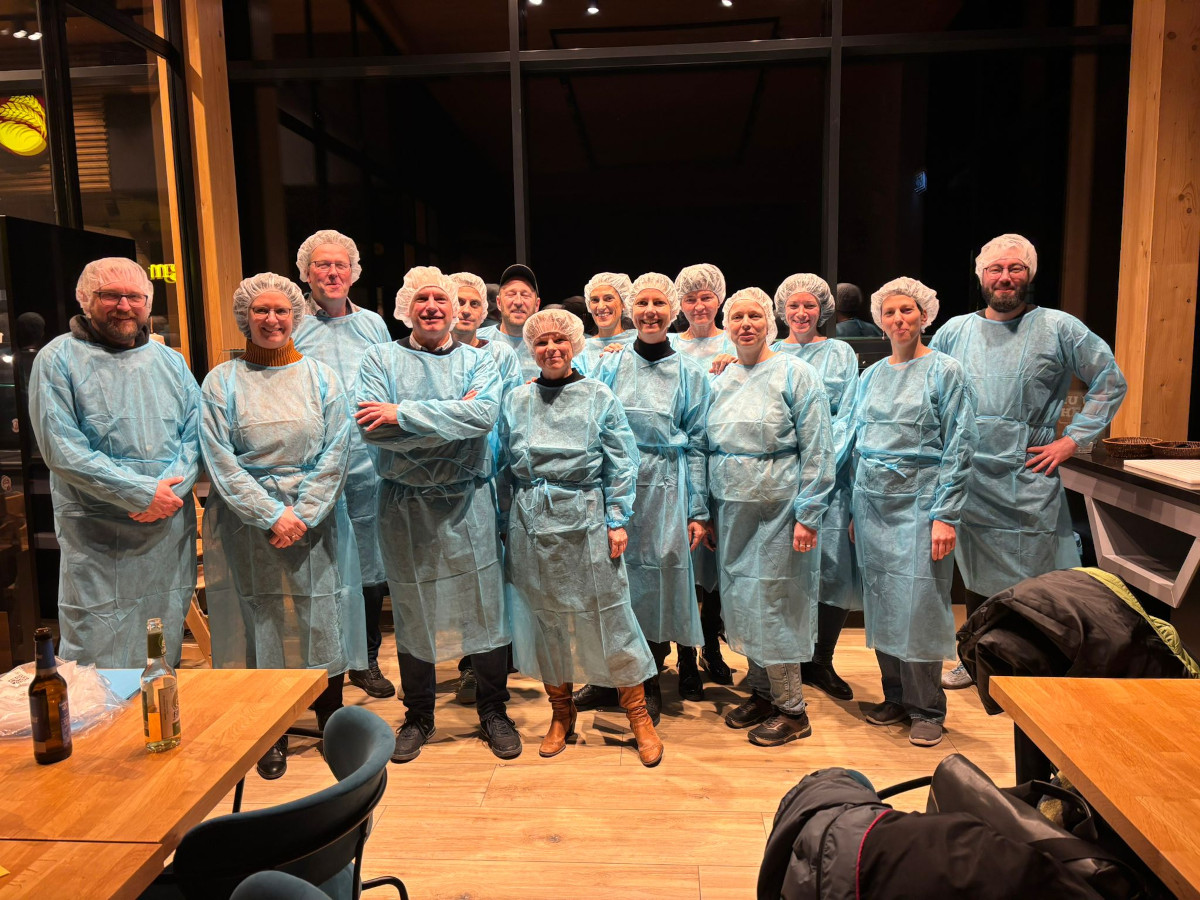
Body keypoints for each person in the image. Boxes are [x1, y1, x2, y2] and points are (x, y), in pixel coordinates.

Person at [930, 233, 1127, 689]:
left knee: (1034, 574)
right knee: (975, 572)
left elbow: (1109, 380)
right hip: (969, 473)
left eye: (1014, 268)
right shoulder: (955, 331)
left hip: (1027, 472)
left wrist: (1071, 441)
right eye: (995, 269)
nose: (1005, 277)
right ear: (981, 276)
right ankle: (978, 654)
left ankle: (1035, 663)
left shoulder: (1059, 328)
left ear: (1029, 274)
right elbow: (928, 390)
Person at [200, 272, 365, 779]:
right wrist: (271, 513)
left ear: (295, 316)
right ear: (244, 317)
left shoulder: (322, 378)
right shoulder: (221, 382)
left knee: (323, 612)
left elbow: (338, 448)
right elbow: (220, 458)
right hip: (249, 519)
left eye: (281, 311)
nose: (272, 319)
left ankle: (330, 715)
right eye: (261, 311)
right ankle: (270, 728)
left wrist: (305, 512)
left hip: (316, 517)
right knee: (262, 619)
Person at [355, 265, 518, 763]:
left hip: (467, 502)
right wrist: (450, 416)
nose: (431, 307)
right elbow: (370, 429)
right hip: (404, 504)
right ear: (407, 306)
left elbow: (483, 417)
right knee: (411, 608)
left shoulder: (478, 360)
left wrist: (402, 413)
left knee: (485, 606)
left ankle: (494, 710)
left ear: (454, 309)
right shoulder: (378, 358)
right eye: (421, 298)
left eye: (440, 299)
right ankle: (419, 714)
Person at [497, 308, 663, 766]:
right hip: (531, 523)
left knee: (610, 617)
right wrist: (503, 521)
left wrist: (616, 518)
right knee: (547, 619)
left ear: (574, 344)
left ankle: (638, 715)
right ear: (531, 349)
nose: (551, 349)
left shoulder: (597, 395)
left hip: (587, 520)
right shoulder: (516, 400)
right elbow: (503, 468)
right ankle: (560, 712)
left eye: (559, 341)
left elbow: (622, 461)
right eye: (542, 342)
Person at [29, 258, 200, 669]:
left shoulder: (170, 363)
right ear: (86, 300)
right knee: (97, 654)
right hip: (98, 538)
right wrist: (140, 493)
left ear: (148, 303)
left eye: (135, 297)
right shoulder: (57, 360)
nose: (124, 305)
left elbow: (195, 437)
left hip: (165, 532)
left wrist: (167, 494)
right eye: (111, 295)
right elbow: (62, 449)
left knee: (160, 648)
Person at [849, 277, 977, 747]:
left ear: (924, 315)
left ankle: (926, 708)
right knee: (882, 599)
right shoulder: (871, 375)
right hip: (871, 504)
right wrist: (851, 508)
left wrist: (946, 514)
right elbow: (856, 444)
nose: (899, 319)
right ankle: (895, 695)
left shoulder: (946, 372)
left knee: (920, 605)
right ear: (880, 320)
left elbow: (961, 446)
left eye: (908, 311)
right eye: (890, 312)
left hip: (922, 505)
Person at [578, 272, 710, 718]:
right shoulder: (608, 364)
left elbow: (697, 443)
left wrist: (698, 508)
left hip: (668, 487)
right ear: (631, 311)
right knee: (611, 578)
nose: (650, 311)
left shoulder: (690, 372)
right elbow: (591, 428)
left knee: (655, 581)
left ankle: (649, 680)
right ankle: (607, 677)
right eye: (643, 304)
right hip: (616, 483)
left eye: (659, 304)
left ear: (672, 311)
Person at [709, 287, 835, 747]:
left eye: (754, 316)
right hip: (733, 511)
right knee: (744, 605)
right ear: (727, 326)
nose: (745, 323)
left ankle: (793, 710)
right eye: (737, 316)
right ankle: (762, 694)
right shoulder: (720, 378)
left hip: (780, 511)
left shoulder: (796, 374)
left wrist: (809, 514)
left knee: (776, 607)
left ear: (770, 323)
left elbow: (819, 449)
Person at [291, 229, 395, 701]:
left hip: (370, 462)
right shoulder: (293, 325)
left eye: (340, 266)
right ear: (306, 273)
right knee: (322, 565)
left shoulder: (373, 324)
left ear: (354, 272)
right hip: (313, 468)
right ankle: (322, 664)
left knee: (371, 564)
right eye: (321, 266)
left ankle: (366, 659)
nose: (331, 273)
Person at [773, 273, 860, 700]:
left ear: (822, 309)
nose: (801, 313)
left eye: (809, 306)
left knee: (833, 569)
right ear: (782, 311)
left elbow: (848, 414)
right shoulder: (769, 353)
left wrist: (821, 465)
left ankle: (821, 660)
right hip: (780, 481)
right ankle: (789, 658)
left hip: (831, 481)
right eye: (793, 306)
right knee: (787, 571)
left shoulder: (840, 352)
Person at [449, 269, 523, 705]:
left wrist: (507, 471)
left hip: (495, 476)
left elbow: (511, 416)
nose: (466, 310)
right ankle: (467, 666)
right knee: (463, 576)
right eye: (459, 302)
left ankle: (500, 659)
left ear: (485, 311)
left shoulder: (501, 355)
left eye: (474, 303)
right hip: (452, 481)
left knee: (499, 573)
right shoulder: (431, 356)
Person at [670, 262, 736, 687]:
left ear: (720, 299)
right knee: (682, 562)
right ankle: (685, 655)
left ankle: (712, 647)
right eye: (690, 298)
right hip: (680, 470)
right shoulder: (669, 347)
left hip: (726, 468)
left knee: (715, 561)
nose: (698, 305)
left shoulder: (739, 341)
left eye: (705, 296)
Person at [476, 264, 542, 381]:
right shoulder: (477, 340)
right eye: (511, 294)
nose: (518, 302)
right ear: (499, 302)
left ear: (537, 304)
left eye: (525, 295)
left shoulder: (548, 346)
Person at [577, 272, 636, 373]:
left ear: (624, 303)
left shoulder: (639, 341)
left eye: (608, 299)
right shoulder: (580, 350)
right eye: (595, 300)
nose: (600, 307)